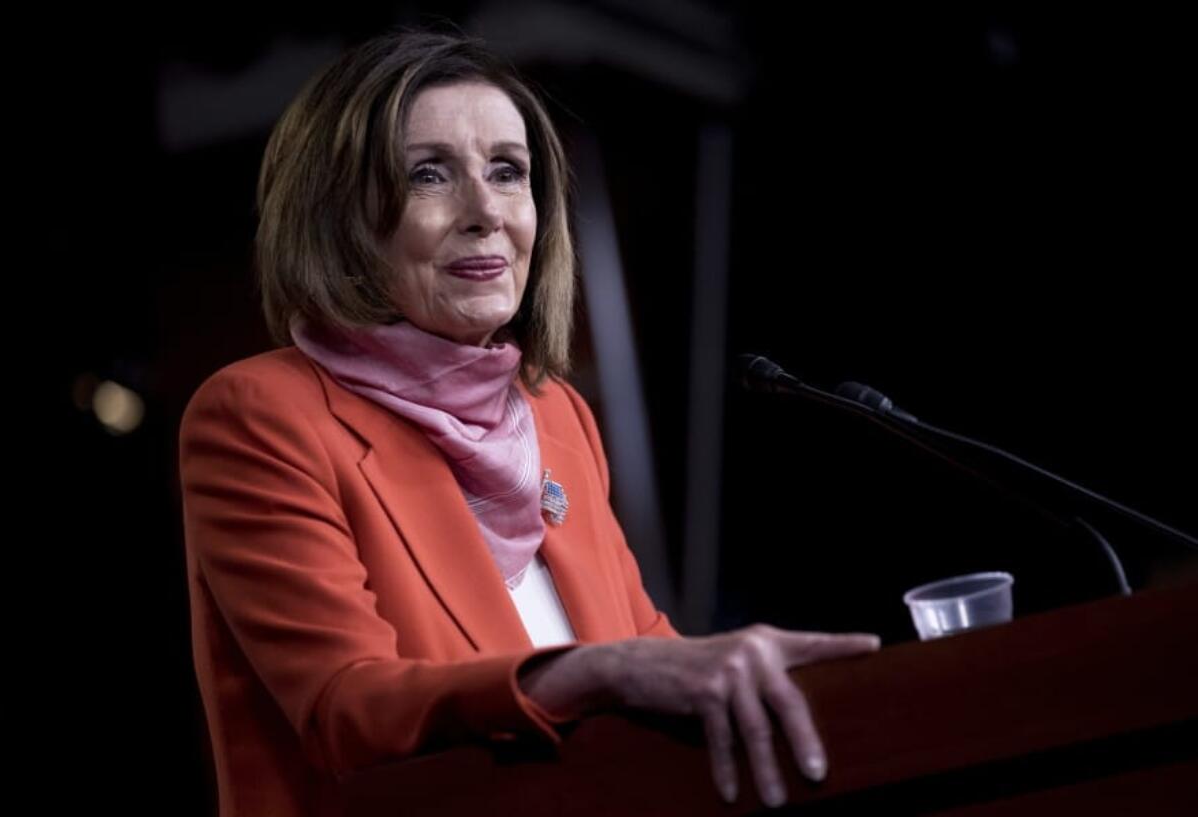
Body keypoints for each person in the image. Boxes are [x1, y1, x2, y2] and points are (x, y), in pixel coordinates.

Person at [179, 28, 880, 817]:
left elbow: (650, 649)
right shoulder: (261, 414)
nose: (485, 212)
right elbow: (352, 710)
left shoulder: (556, 416)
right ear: (338, 215)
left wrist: (781, 681)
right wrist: (596, 670)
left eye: (508, 172)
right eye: (429, 174)